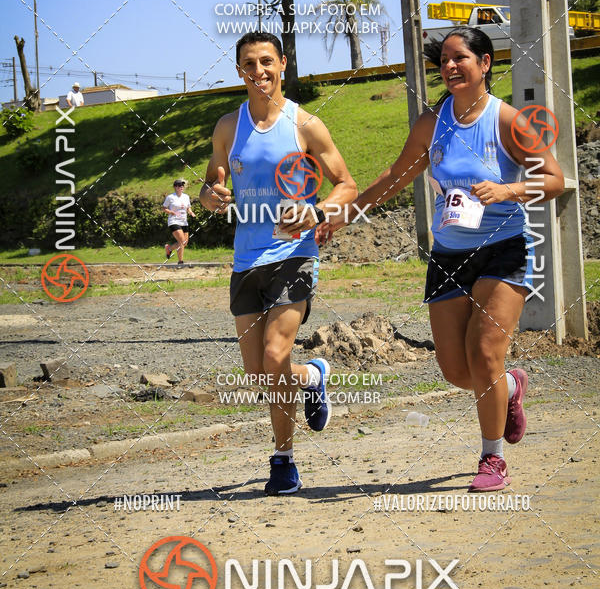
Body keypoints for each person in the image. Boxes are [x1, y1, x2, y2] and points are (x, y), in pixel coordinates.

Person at [321, 26, 564, 492]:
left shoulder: (509, 120)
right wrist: (346, 214)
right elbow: (396, 175)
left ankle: (492, 458)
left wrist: (507, 189)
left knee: (485, 353)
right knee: (456, 371)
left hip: (503, 250)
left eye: (460, 59)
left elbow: (553, 180)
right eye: (444, 61)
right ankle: (511, 388)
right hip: (448, 254)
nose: (450, 67)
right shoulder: (432, 123)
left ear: (485, 63)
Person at [200, 30, 357, 495]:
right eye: (249, 64)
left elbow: (346, 185)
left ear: (282, 64)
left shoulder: (305, 125)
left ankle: (283, 460)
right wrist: (211, 196)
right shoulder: (228, 127)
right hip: (246, 260)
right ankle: (313, 376)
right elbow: (212, 186)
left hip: (294, 253)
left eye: (266, 62)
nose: (259, 71)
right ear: (239, 71)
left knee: (274, 355)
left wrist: (316, 210)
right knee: (258, 374)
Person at [163, 178, 195, 267]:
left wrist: (191, 212)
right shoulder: (170, 197)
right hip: (174, 221)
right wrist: (171, 212)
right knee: (181, 241)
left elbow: (188, 207)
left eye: (182, 185)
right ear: (175, 187)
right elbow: (164, 208)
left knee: (184, 243)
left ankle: (169, 249)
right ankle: (180, 262)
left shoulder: (186, 197)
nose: (181, 187)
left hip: (184, 222)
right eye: (179, 185)